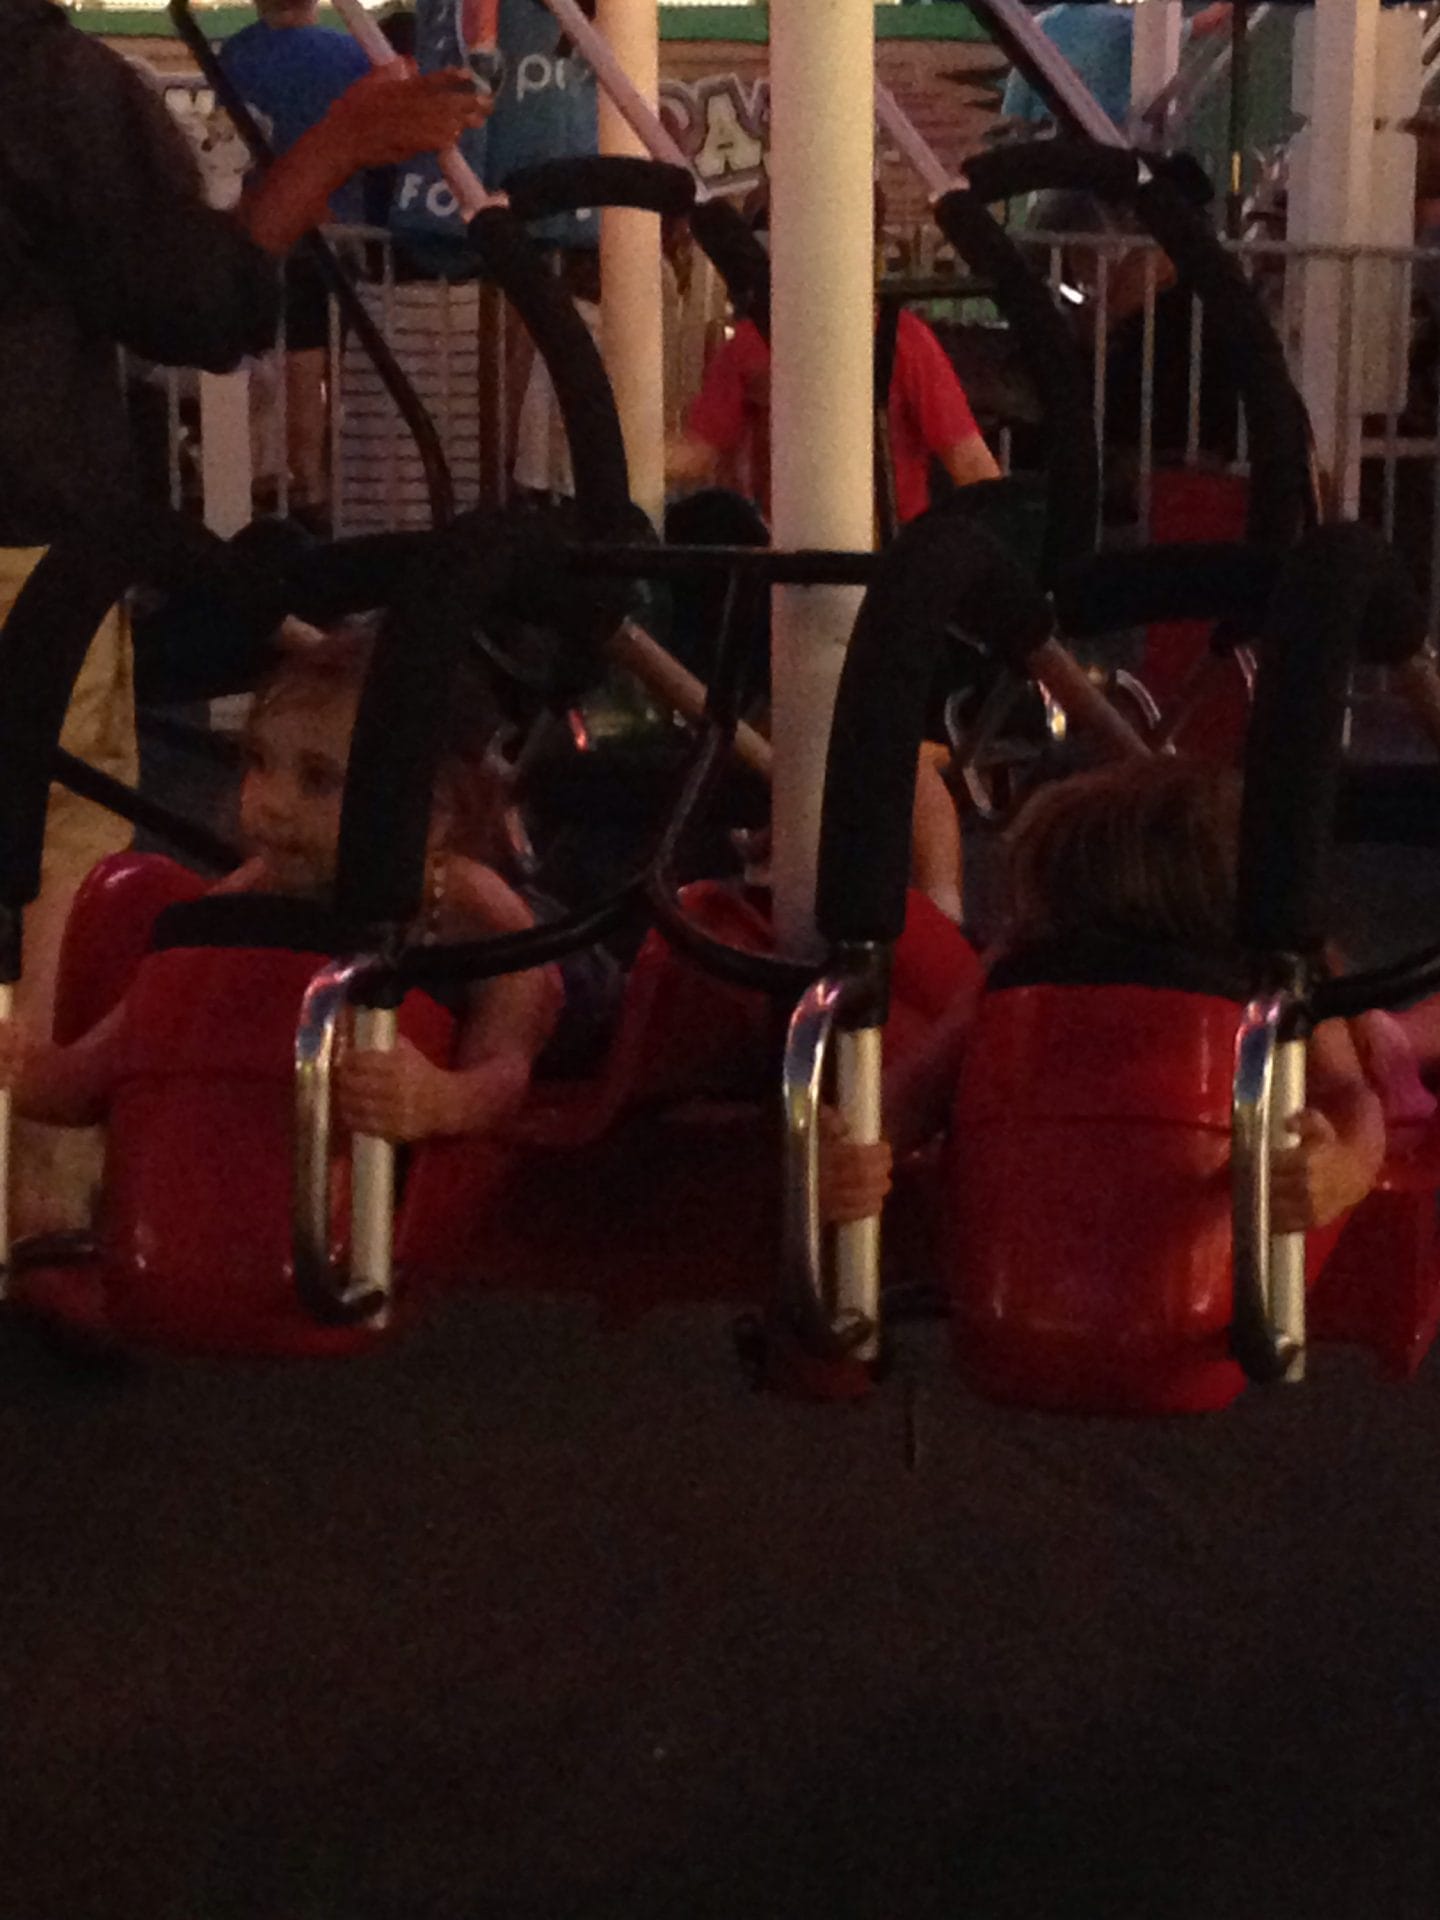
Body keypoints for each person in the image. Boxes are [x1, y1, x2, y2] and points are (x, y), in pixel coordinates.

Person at [0, 0, 487, 1231]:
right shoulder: (47, 85)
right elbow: (197, 302)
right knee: (42, 860)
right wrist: (336, 150)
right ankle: (38, 1209)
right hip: (22, 550)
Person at [0, 626, 565, 1147]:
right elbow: (96, 1071)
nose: (269, 801)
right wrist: (19, 1069)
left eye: (317, 779)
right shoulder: (244, 899)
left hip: (494, 1102)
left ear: (431, 811)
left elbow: (507, 1068)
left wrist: (440, 1099)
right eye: (258, 760)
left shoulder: (472, 908)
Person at [823, 758, 1408, 1232]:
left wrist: (1342, 1171)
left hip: (1198, 1231)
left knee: (1391, 1043)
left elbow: (1351, 1095)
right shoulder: (1019, 964)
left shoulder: (1276, 971)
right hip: (1068, 1220)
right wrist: (857, 1152)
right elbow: (921, 1082)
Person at [219, 0, 380, 519]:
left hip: (265, 228)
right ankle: (317, 482)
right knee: (325, 357)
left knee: (278, 357)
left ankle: (285, 480)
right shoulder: (353, 53)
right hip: (340, 227)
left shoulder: (238, 54)